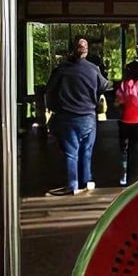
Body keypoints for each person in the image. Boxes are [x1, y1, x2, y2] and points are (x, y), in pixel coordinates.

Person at [44, 37, 110, 196]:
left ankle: (72, 185)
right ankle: (86, 182)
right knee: (86, 151)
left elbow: (50, 92)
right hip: (88, 117)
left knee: (71, 153)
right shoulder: (93, 69)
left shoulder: (61, 70)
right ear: (86, 52)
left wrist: (54, 108)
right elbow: (104, 85)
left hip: (67, 117)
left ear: (72, 50)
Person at [115, 60, 138, 187]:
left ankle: (124, 173)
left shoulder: (124, 84)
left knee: (125, 148)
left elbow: (119, 99)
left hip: (126, 120)